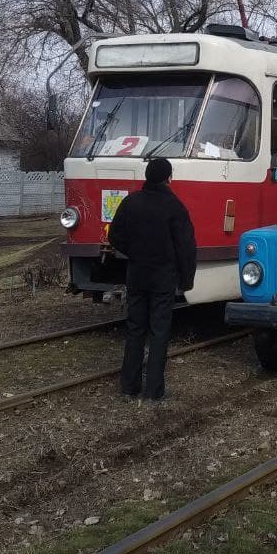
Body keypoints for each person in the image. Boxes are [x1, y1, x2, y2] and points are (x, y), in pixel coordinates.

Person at [107, 157, 196, 400]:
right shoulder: (175, 206)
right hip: (163, 279)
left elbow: (114, 235)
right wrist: (186, 280)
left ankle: (129, 386)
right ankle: (154, 391)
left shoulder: (131, 202)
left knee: (135, 329)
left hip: (136, 275)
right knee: (159, 332)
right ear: (168, 178)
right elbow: (186, 247)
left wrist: (134, 252)